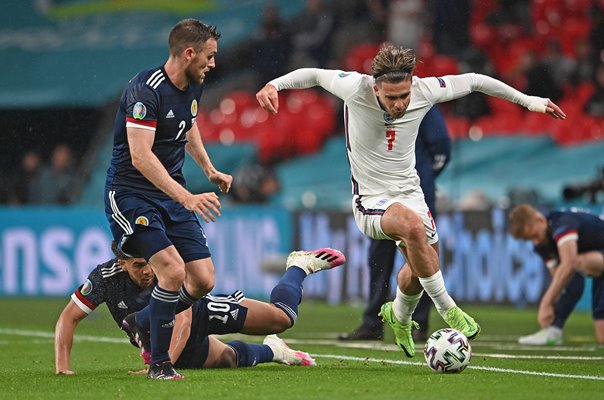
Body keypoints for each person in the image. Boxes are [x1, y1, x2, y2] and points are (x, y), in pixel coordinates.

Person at [256, 44, 566, 358]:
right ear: (375, 87)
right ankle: (449, 309)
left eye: (404, 96)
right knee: (411, 226)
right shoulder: (354, 87)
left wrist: (530, 101)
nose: (400, 103)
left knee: (420, 268)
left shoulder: (424, 90)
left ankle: (399, 315)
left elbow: (474, 80)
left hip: (411, 193)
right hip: (370, 199)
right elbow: (313, 74)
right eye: (391, 98)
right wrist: (274, 85)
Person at [103, 19, 233, 379]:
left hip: (170, 194)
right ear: (189, 53)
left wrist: (208, 169)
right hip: (131, 196)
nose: (212, 64)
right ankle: (159, 365)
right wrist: (187, 196)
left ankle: (142, 319)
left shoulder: (193, 84)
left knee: (203, 279)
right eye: (209, 56)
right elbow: (140, 156)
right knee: (173, 271)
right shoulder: (146, 90)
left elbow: (188, 124)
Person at [55, 242, 346, 375]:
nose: (147, 272)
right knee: (229, 359)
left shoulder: (167, 268)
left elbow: (180, 317)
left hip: (199, 313)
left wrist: (161, 364)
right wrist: (62, 368)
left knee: (282, 318)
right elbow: (69, 317)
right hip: (165, 344)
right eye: (138, 266)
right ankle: (276, 351)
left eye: (149, 263)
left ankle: (299, 265)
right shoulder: (105, 278)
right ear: (121, 264)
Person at [339, 105, 451, 341]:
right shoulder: (372, 104)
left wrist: (422, 179)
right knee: (379, 258)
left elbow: (441, 147)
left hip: (414, 194)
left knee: (420, 255)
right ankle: (373, 322)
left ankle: (418, 323)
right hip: (380, 197)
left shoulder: (421, 101)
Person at [508, 204, 604, 345]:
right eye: (530, 239)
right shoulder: (541, 244)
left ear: (540, 219)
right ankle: (554, 330)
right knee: (602, 337)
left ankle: (554, 329)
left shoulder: (563, 223)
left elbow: (569, 264)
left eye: (535, 235)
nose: (535, 241)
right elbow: (561, 281)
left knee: (572, 263)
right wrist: (553, 307)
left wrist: (546, 303)